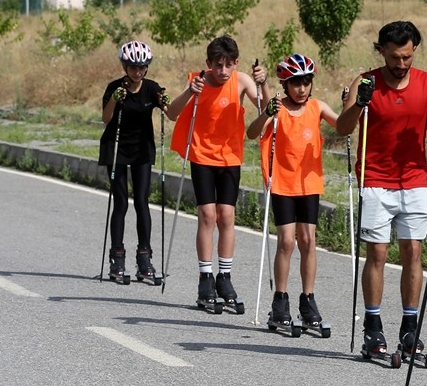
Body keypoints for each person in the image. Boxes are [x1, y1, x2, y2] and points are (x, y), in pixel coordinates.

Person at [335, 20, 427, 358]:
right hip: (375, 180)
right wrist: (359, 103)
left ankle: (410, 330)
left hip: (413, 182)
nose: (401, 64)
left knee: (413, 254)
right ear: (382, 52)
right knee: (377, 255)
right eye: (394, 57)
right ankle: (373, 327)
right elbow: (342, 128)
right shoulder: (367, 81)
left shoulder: (425, 81)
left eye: (407, 57)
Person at [165, 35, 267, 309]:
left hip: (231, 157)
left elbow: (267, 110)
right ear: (208, 63)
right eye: (218, 65)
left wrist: (263, 82)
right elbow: (172, 114)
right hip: (202, 155)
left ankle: (225, 276)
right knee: (207, 215)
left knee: (227, 215)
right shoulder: (197, 80)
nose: (223, 71)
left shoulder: (242, 80)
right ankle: (205, 276)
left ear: (236, 63)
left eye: (228, 65)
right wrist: (190, 91)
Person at [246, 53, 340, 332]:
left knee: (309, 240)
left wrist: (353, 103)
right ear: (285, 84)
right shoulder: (277, 109)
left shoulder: (317, 106)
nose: (302, 89)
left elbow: (345, 125)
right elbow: (251, 134)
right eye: (295, 83)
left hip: (309, 184)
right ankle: (280, 301)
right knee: (287, 241)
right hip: (283, 183)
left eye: (306, 82)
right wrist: (266, 113)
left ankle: (308, 301)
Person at [99, 40, 168, 282]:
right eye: (132, 67)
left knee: (141, 202)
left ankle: (144, 258)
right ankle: (117, 259)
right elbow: (106, 118)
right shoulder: (114, 87)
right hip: (116, 148)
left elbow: (171, 113)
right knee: (121, 203)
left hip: (141, 150)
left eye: (141, 67)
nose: (137, 72)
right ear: (124, 66)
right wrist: (115, 100)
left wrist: (165, 101)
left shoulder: (151, 88)